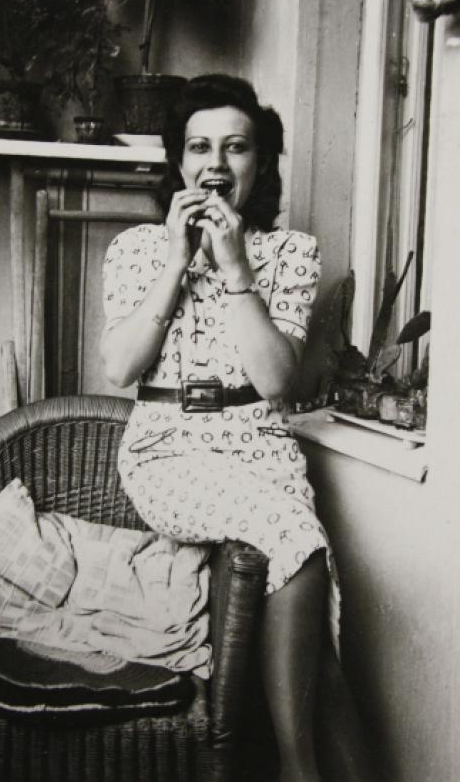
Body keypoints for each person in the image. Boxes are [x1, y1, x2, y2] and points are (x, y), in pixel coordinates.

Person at [100, 74, 377, 782]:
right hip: (167, 447)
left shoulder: (292, 253)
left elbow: (278, 381)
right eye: (199, 147)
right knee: (300, 545)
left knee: (319, 646)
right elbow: (120, 367)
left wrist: (234, 267)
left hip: (259, 444)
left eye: (236, 147)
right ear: (179, 164)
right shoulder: (134, 248)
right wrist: (173, 262)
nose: (216, 163)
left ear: (261, 165)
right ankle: (297, 768)